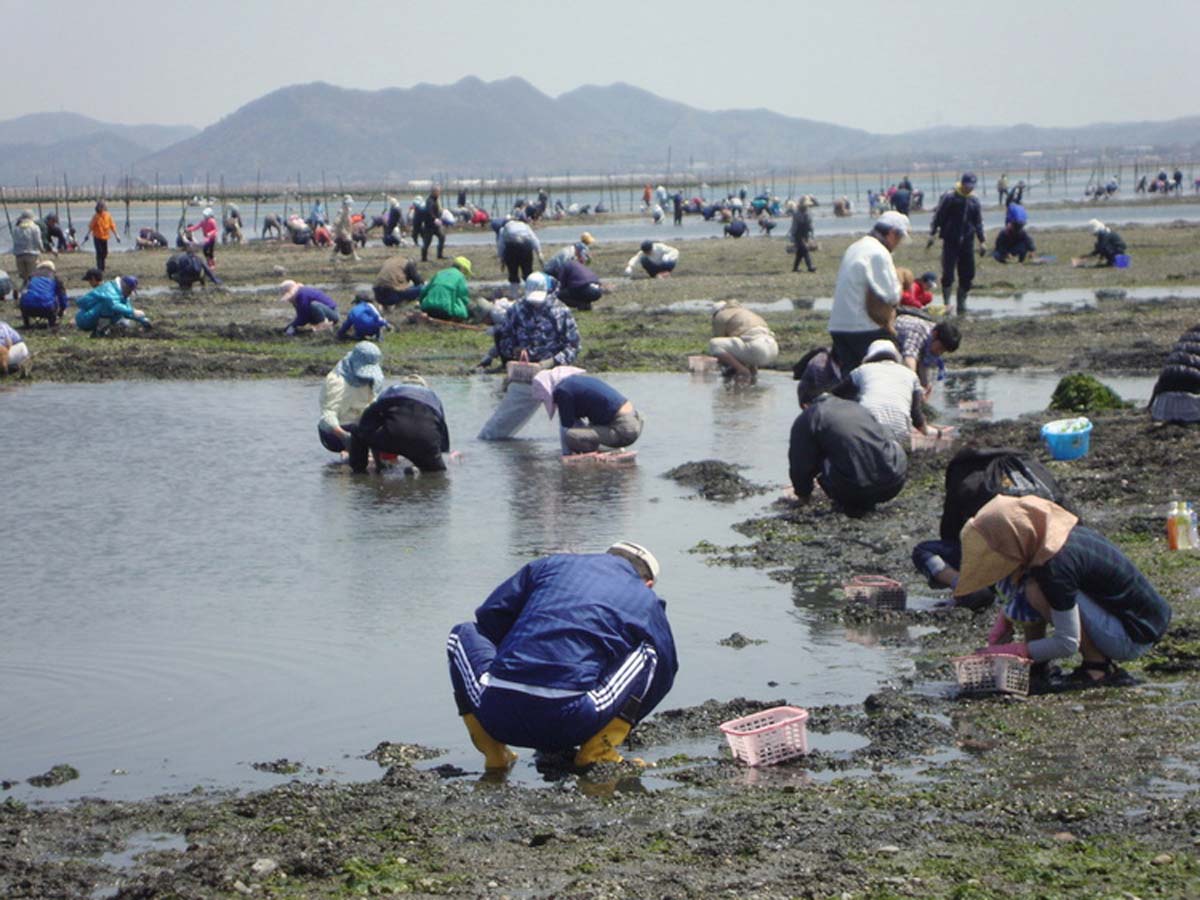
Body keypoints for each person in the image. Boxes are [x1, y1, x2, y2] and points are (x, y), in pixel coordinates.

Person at [446, 542, 677, 769]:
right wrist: (626, 716)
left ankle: (495, 753)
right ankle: (599, 750)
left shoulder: (552, 565)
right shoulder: (645, 598)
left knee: (462, 634)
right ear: (648, 584)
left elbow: (491, 616)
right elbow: (666, 668)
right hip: (572, 720)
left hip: (497, 715)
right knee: (649, 650)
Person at [955, 495, 1172, 687]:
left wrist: (1018, 651)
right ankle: (1039, 666)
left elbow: (1067, 643)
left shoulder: (1054, 566)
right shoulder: (1050, 539)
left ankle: (1096, 667)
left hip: (1133, 635)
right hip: (1139, 620)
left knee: (1035, 591)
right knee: (1029, 586)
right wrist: (1007, 617)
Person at [477, 274, 581, 440]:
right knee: (493, 433)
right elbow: (504, 339)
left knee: (576, 427)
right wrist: (516, 351)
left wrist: (551, 362)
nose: (535, 304)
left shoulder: (561, 311)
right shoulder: (517, 310)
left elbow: (574, 346)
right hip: (526, 375)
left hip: (557, 375)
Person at [788, 394, 908, 514]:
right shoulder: (858, 407)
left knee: (816, 453)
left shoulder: (810, 416)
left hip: (853, 491)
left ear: (805, 405)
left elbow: (800, 464)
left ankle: (851, 500)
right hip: (893, 483)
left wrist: (803, 495)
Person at [828, 211, 908, 372]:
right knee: (885, 373)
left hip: (838, 326)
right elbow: (892, 295)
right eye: (899, 239)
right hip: (861, 328)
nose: (897, 244)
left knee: (851, 380)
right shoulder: (878, 252)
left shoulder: (856, 246)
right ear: (892, 234)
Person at [831, 339, 931, 442]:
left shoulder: (862, 370)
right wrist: (927, 433)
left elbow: (835, 396)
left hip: (866, 426)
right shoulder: (911, 375)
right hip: (899, 430)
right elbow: (916, 415)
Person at [348, 375, 449, 473]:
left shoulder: (392, 391)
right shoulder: (433, 397)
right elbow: (442, 431)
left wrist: (378, 462)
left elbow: (368, 420)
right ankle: (421, 470)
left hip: (393, 437)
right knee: (437, 474)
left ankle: (359, 471)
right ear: (424, 387)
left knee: (357, 430)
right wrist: (435, 454)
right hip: (426, 442)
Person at [532, 367, 644, 455]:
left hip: (623, 429)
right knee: (585, 429)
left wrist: (566, 454)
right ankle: (610, 448)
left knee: (571, 436)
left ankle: (604, 452)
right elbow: (577, 422)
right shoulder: (574, 383)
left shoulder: (562, 391)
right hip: (635, 420)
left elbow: (566, 429)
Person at [928, 172, 986, 314]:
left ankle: (961, 303)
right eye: (967, 186)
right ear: (962, 184)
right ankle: (947, 303)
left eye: (972, 186)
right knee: (948, 273)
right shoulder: (950, 197)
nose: (969, 189)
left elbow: (978, 222)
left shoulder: (974, 201)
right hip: (950, 240)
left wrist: (982, 240)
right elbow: (939, 216)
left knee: (968, 273)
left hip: (968, 241)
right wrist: (933, 233)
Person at [317, 341, 384, 455]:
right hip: (338, 431)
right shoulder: (337, 381)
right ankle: (350, 453)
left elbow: (374, 403)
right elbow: (328, 415)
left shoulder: (374, 377)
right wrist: (344, 436)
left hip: (363, 425)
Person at [707, 300, 779, 383]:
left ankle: (742, 371)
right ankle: (752, 373)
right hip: (773, 348)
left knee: (714, 344)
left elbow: (720, 341)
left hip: (757, 349)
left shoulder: (720, 315)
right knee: (746, 342)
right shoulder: (744, 312)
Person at [895, 313, 960, 396]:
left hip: (902, 348)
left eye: (943, 351)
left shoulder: (934, 340)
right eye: (940, 348)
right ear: (935, 334)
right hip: (885, 337)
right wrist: (916, 387)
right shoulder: (919, 330)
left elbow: (923, 364)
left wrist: (925, 386)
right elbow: (909, 358)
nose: (939, 353)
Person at [1149, 324, 1200, 423]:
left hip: (1162, 408)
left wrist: (1150, 406)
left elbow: (1160, 383)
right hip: (1191, 408)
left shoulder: (1183, 342)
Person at [74, 274, 150, 336]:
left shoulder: (122, 294)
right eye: (129, 290)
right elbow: (114, 305)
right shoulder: (110, 290)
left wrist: (143, 320)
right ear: (124, 286)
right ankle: (100, 331)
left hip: (95, 316)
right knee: (108, 307)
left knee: (123, 317)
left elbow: (127, 311)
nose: (130, 293)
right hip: (85, 318)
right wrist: (133, 311)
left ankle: (103, 331)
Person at [418, 256, 474, 322]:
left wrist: (422, 304)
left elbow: (424, 291)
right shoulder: (460, 276)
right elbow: (463, 297)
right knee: (463, 313)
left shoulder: (440, 273)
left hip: (428, 308)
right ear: (462, 269)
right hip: (445, 310)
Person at [18, 260, 69, 328]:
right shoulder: (55, 279)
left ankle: (26, 323)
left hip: (27, 309)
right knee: (53, 298)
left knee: (26, 298)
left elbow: (23, 292)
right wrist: (62, 310)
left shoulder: (31, 278)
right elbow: (62, 297)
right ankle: (52, 323)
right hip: (47, 309)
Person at [496, 217, 542, 287]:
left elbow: (501, 246)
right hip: (526, 247)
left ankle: (515, 293)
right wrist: (539, 253)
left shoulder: (503, 229)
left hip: (512, 249)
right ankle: (529, 290)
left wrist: (502, 259)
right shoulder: (524, 226)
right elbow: (533, 239)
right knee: (528, 272)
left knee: (513, 273)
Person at [11, 210, 45, 293]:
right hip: (32, 254)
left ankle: (18, 290)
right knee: (32, 275)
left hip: (19, 255)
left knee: (22, 276)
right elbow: (38, 241)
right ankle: (32, 292)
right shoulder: (35, 227)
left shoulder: (16, 228)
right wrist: (42, 249)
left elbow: (15, 241)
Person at [81, 201, 120, 272]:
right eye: (99, 207)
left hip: (105, 237)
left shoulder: (108, 215)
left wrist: (116, 235)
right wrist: (87, 235)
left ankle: (102, 266)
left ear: (104, 207)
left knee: (105, 252)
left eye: (101, 206)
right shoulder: (95, 216)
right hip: (97, 237)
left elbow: (112, 226)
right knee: (99, 252)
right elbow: (91, 227)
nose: (100, 208)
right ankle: (100, 268)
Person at [788, 199, 816, 273]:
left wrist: (812, 234)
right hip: (798, 234)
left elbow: (810, 225)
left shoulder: (808, 213)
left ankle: (795, 268)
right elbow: (794, 225)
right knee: (805, 250)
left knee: (800, 252)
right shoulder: (796, 214)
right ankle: (810, 266)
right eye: (805, 205)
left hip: (805, 234)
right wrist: (792, 236)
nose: (806, 207)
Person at [418, 187, 446, 261]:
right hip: (429, 225)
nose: (439, 193)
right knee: (427, 241)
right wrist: (435, 219)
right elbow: (429, 212)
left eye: (439, 192)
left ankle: (439, 255)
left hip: (436, 225)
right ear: (434, 192)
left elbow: (438, 210)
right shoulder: (429, 201)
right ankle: (424, 258)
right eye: (438, 192)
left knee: (442, 237)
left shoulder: (436, 200)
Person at [331, 195, 359, 262]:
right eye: (348, 203)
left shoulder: (347, 210)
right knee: (349, 242)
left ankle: (333, 256)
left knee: (340, 244)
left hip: (346, 231)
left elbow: (348, 221)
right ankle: (354, 256)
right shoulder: (341, 211)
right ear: (345, 203)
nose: (350, 204)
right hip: (341, 231)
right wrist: (340, 231)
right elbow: (337, 221)